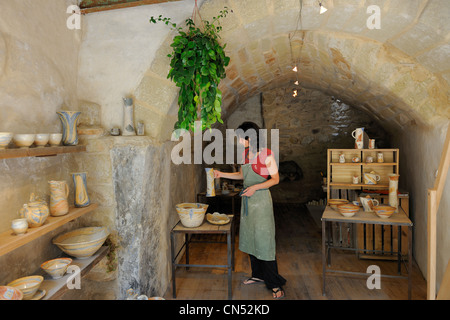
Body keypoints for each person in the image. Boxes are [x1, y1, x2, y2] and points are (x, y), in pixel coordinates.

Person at [214, 122, 286, 299]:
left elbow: (275, 179)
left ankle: (275, 284)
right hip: (248, 200)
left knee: (264, 240)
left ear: (250, 137)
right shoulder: (246, 154)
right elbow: (241, 175)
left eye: (240, 138)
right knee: (251, 237)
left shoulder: (266, 154)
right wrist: (221, 174)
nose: (239, 141)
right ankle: (258, 275)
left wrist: (256, 188)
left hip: (261, 201)